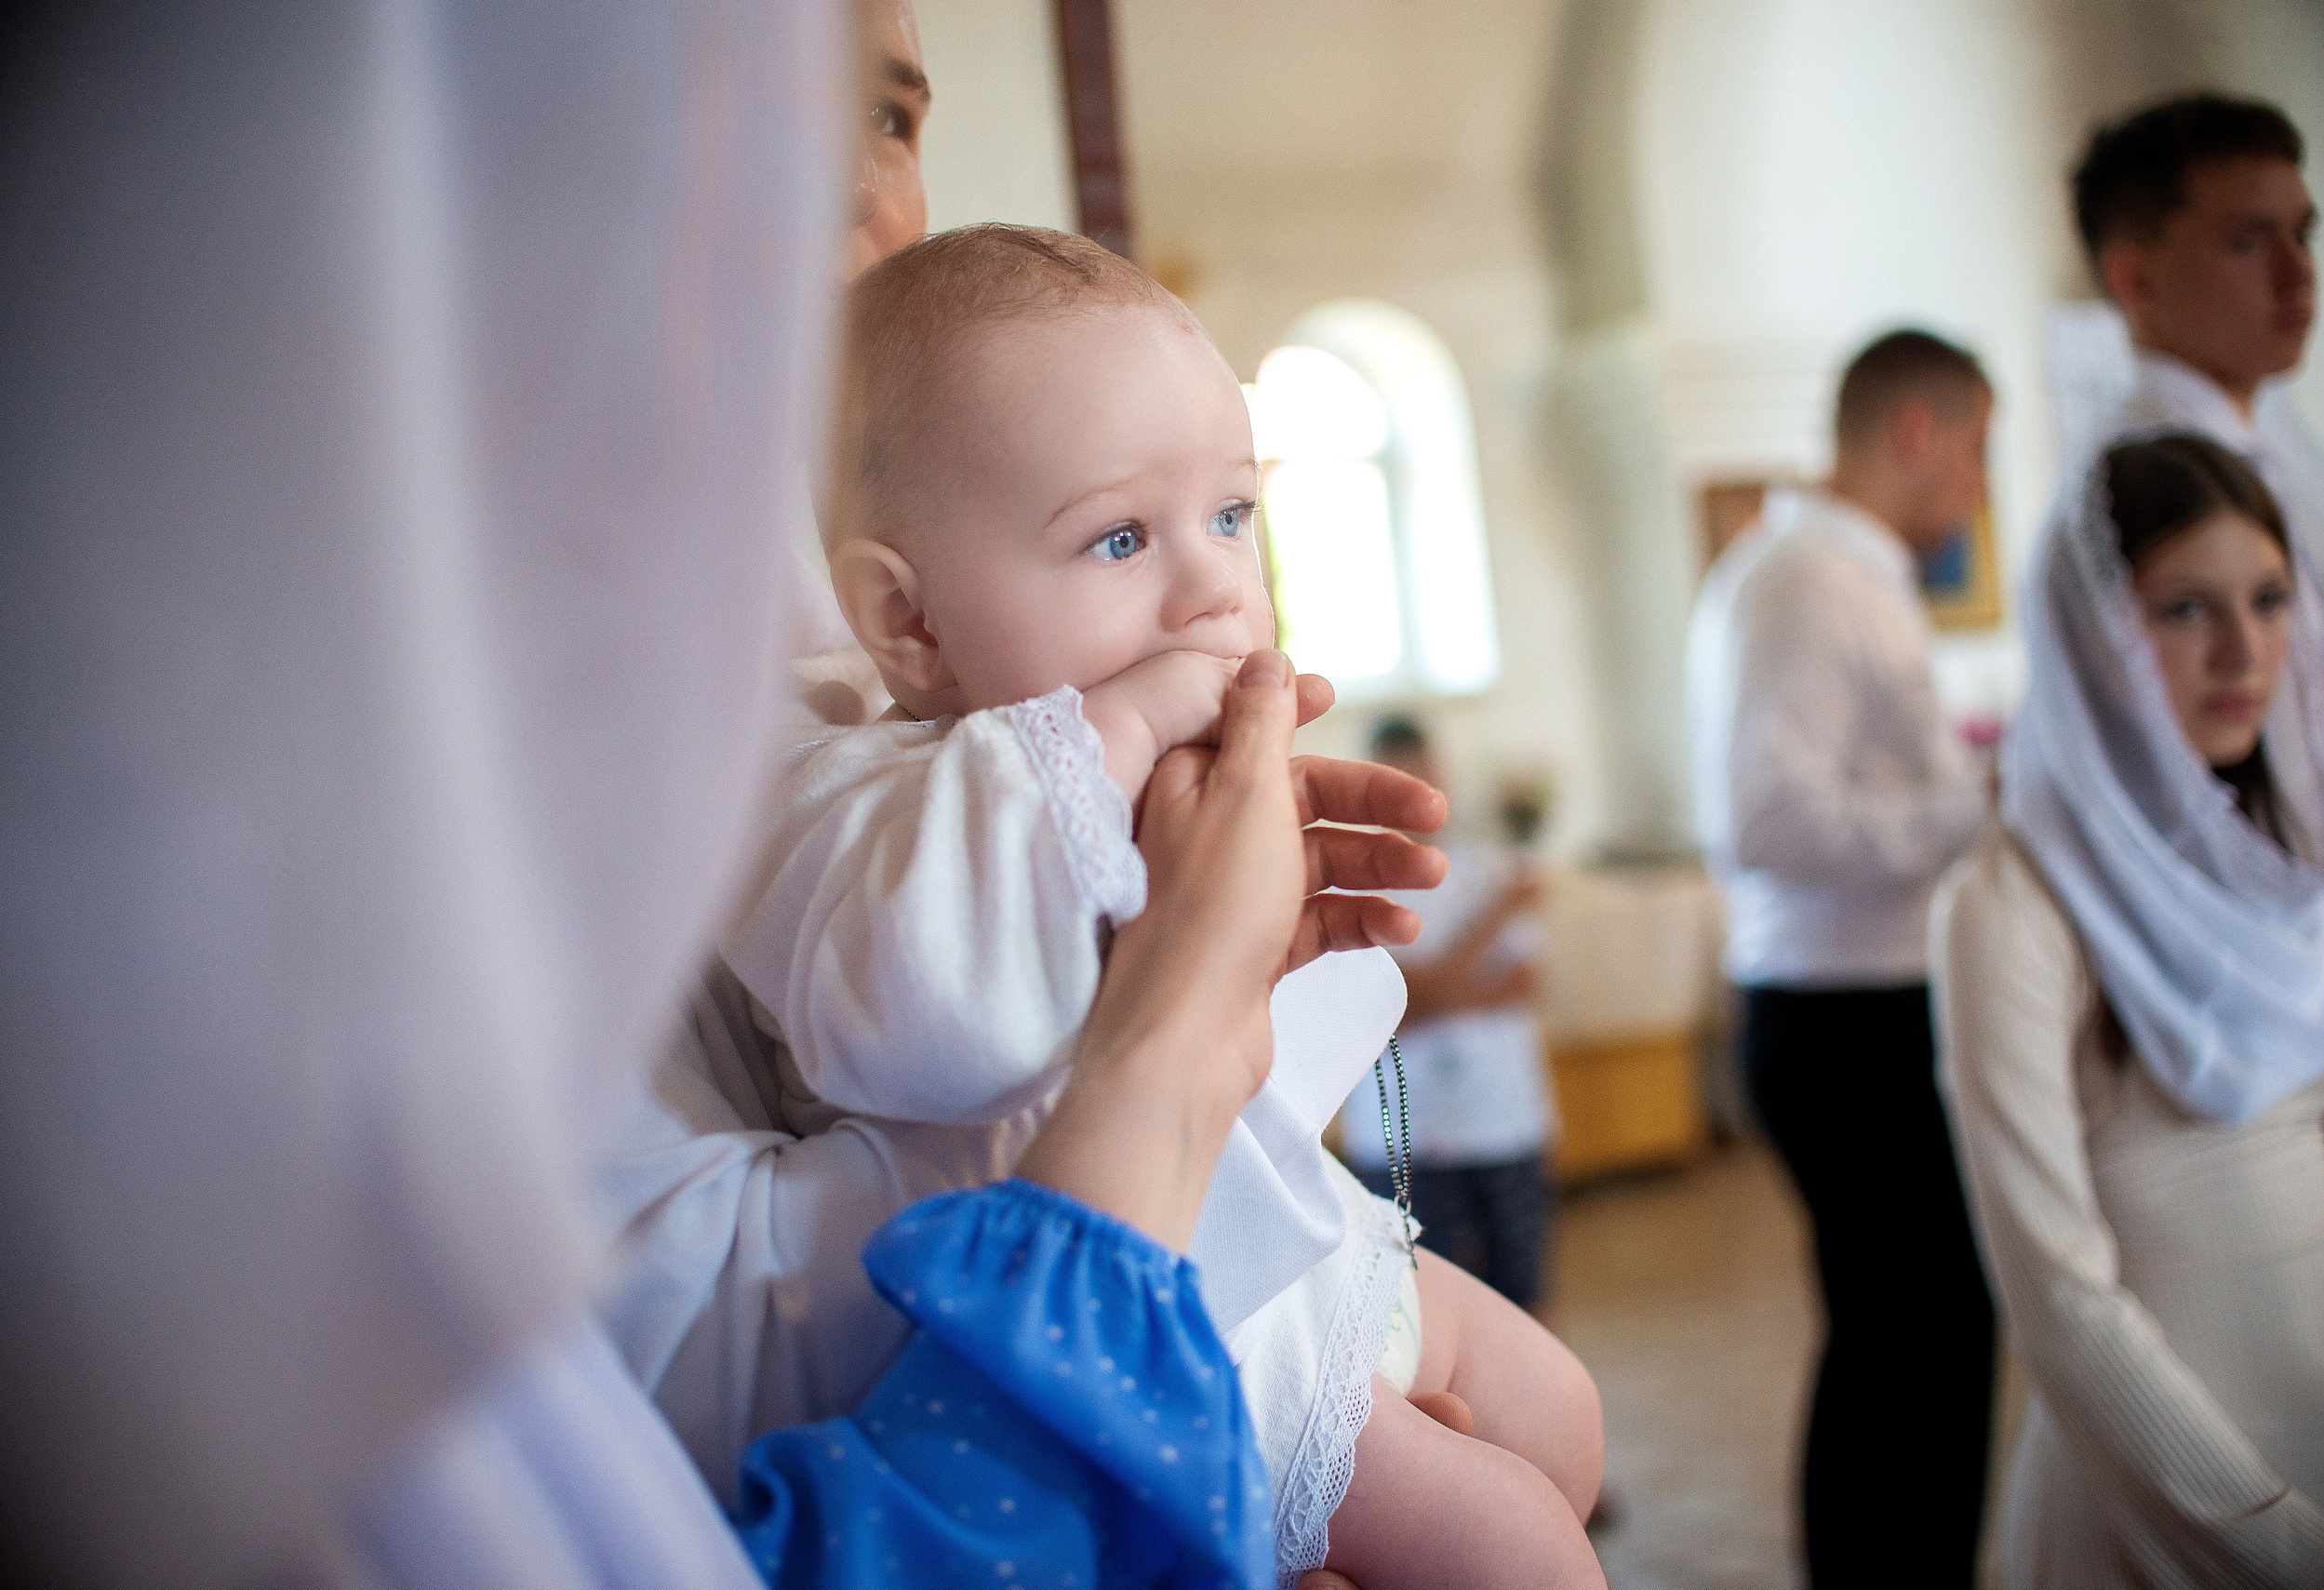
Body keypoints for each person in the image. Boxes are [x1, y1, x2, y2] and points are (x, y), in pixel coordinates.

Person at [0, 6, 1441, 1587]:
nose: (828, 188)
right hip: (992, 1431)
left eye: (885, 120)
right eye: (704, 110)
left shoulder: (876, 581)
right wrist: (1158, 1036)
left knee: (1543, 1432)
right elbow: (699, 1336)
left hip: (1137, 1339)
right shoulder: (339, 761)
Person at [739, 222, 1604, 1590]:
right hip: (1162, 1338)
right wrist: (1123, 732)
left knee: (1563, 1415)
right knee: (1523, 1555)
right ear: (909, 625)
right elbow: (916, 1008)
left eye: (1233, 516)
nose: (1211, 588)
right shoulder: (853, 798)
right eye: (1120, 537)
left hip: (1300, 1257)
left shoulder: (1138, 752)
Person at [1933, 432, 2324, 1587]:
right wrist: (2279, 1551)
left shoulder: (2323, 874)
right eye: (2186, 610)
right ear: (2093, 634)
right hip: (2153, 1518)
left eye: (2270, 600)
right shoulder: (2009, 905)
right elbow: (2056, 1295)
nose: (2243, 650)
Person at [1682, 328, 1999, 1586]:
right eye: (1976, 445)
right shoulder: (1808, 575)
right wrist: (1986, 803)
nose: (1977, 480)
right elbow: (1767, 819)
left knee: (1919, 1340)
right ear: (1916, 431)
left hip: (1867, 1008)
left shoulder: (1833, 570)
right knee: (1906, 1343)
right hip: (1845, 1020)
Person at [2074, 93, 2324, 786]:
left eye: (2303, 235)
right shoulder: (2136, 479)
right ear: (2137, 277)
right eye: (2246, 241)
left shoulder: (2254, 442)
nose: (2297, 273)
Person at [1339, 716, 1558, 1318]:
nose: (1416, 791)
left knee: (1524, 1290)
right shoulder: (1352, 887)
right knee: (1416, 1307)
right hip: (1402, 1132)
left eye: (1425, 774)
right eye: (1397, 777)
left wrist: (1428, 991)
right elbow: (1383, 1010)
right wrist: (1494, 920)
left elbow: (1521, 982)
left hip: (1503, 1116)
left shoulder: (1488, 865)